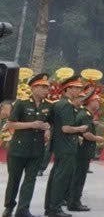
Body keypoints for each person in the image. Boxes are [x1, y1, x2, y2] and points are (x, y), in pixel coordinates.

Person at [3, 73, 52, 217]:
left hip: (36, 150)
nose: (46, 90)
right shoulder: (21, 103)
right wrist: (32, 124)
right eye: (43, 87)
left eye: (47, 87)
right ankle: (9, 207)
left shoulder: (48, 106)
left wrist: (48, 128)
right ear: (34, 87)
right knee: (14, 180)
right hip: (18, 149)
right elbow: (10, 124)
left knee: (30, 180)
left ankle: (23, 210)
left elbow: (50, 122)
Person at [44, 75, 88, 217]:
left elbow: (51, 122)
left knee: (56, 177)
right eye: (77, 88)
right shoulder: (66, 105)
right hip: (66, 146)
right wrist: (80, 129)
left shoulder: (58, 104)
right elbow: (66, 128)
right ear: (68, 89)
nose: (79, 91)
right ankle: (54, 209)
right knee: (61, 178)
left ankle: (50, 207)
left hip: (60, 146)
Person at [68, 89, 104, 211]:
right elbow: (86, 134)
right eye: (96, 100)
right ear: (90, 102)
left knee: (78, 176)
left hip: (82, 151)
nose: (98, 103)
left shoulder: (86, 114)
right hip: (82, 151)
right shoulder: (85, 115)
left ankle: (72, 200)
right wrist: (97, 138)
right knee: (79, 177)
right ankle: (74, 202)